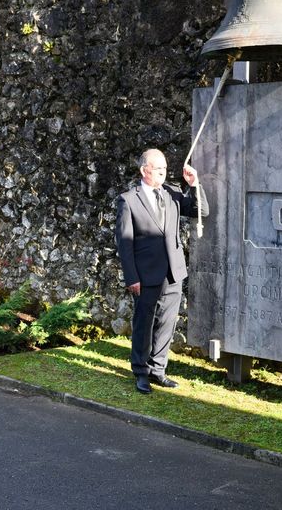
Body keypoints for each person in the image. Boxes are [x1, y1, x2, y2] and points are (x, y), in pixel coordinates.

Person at [114, 149, 208, 395]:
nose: (164, 172)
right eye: (159, 169)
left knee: (167, 324)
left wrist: (194, 184)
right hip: (145, 275)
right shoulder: (128, 200)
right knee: (144, 324)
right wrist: (131, 277)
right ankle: (141, 372)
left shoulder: (173, 192)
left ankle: (158, 370)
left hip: (173, 273)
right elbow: (125, 243)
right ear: (145, 171)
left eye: (165, 168)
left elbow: (201, 211)